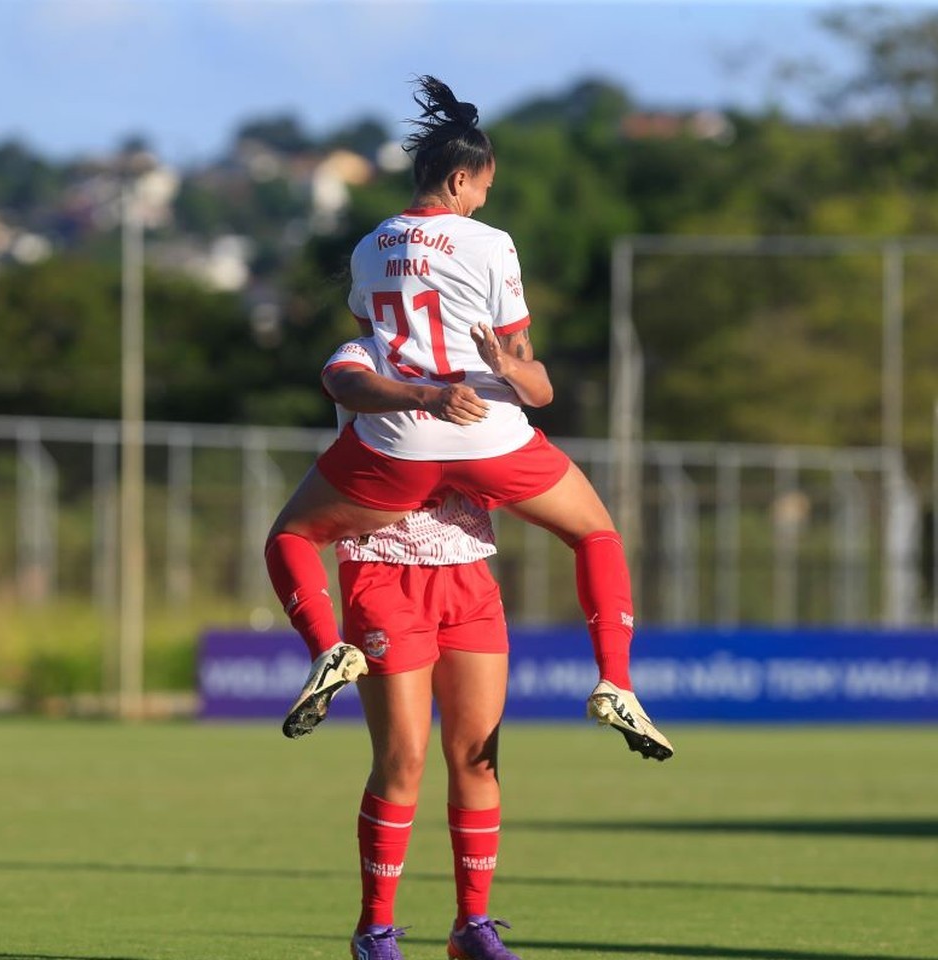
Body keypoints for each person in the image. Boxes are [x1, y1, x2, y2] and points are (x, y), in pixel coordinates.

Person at [265, 75, 672, 762]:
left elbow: (371, 348)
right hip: (486, 431)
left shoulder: (369, 248)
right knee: (596, 534)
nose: (486, 196)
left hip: (396, 446)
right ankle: (616, 681)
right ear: (460, 180)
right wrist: (504, 366)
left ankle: (327, 647)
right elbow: (524, 366)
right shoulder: (489, 243)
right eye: (484, 184)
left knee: (291, 538)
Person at [322, 336, 523, 960]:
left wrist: (511, 368)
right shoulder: (362, 351)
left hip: (468, 570)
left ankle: (472, 928)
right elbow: (345, 385)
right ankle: (374, 931)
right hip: (383, 566)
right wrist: (430, 396)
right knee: (403, 759)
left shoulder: (472, 349)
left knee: (478, 758)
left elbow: (527, 408)